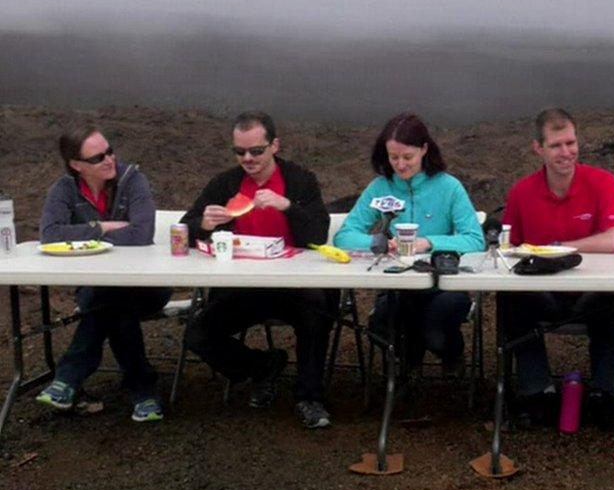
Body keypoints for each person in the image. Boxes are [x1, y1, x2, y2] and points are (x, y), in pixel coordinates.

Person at [181, 111, 338, 428]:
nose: (248, 159)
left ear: (274, 146)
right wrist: (203, 223)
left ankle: (309, 397)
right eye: (240, 152)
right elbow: (186, 227)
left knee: (317, 312)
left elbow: (318, 235)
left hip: (295, 286)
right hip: (242, 287)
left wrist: (288, 207)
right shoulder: (226, 183)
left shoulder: (300, 180)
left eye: (256, 151)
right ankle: (262, 366)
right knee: (197, 334)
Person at [500, 108, 614, 431]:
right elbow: (508, 250)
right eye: (556, 145)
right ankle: (537, 394)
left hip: (591, 291)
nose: (566, 152)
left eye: (571, 143)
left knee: (611, 307)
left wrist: (560, 247)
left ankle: (605, 394)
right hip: (541, 293)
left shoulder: (602, 182)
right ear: (538, 148)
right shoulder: (521, 192)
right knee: (511, 301)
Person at [36, 126, 172, 422]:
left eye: (110, 151)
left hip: (148, 287)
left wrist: (82, 236)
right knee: (114, 305)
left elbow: (141, 233)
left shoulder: (133, 180)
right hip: (98, 289)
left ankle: (68, 378)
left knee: (108, 300)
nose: (109, 159)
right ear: (76, 165)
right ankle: (144, 391)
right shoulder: (64, 189)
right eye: (98, 158)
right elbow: (49, 235)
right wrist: (102, 228)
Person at [334, 113, 484, 373]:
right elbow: (344, 236)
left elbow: (474, 239)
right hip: (396, 284)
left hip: (443, 285)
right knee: (381, 324)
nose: (400, 166)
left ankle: (439, 355)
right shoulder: (381, 188)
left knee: (434, 324)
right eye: (394, 158)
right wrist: (378, 242)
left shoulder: (449, 188)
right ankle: (409, 368)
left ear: (424, 150)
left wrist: (429, 242)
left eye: (408, 157)